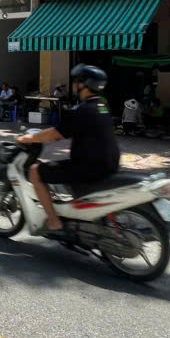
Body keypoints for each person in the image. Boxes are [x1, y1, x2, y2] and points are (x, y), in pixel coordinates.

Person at [16, 65, 120, 231]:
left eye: (77, 81)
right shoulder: (103, 106)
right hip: (110, 164)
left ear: (84, 84)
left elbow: (55, 135)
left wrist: (28, 138)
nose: (74, 85)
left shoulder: (83, 110)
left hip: (88, 167)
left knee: (35, 171)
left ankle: (53, 221)